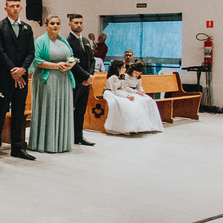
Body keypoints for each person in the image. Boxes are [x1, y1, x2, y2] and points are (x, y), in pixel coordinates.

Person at [0, 0, 35, 160]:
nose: (15, 8)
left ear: (21, 8)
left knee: (19, 112)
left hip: (22, 77)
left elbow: (31, 51)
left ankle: (18, 147)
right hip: (4, 77)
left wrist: (23, 69)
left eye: (17, 6)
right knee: (0, 113)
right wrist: (13, 70)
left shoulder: (27, 28)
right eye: (11, 6)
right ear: (5, 8)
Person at [28, 14, 75, 153]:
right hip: (47, 79)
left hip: (63, 79)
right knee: (49, 108)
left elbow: (70, 57)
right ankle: (45, 142)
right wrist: (56, 66)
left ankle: (61, 142)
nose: (55, 26)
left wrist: (70, 65)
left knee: (62, 107)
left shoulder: (63, 41)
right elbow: (37, 60)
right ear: (46, 25)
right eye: (52, 23)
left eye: (57, 23)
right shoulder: (41, 41)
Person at [103, 60, 163, 134]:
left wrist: (128, 95)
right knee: (126, 104)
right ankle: (124, 127)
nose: (125, 69)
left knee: (134, 103)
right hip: (111, 94)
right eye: (123, 67)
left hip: (120, 93)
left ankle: (136, 126)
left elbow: (122, 89)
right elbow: (115, 91)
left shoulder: (120, 77)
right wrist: (126, 96)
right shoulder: (113, 78)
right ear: (118, 69)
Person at [67, 14, 96, 147]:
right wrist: (85, 76)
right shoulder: (67, 41)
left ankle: (79, 136)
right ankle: (70, 136)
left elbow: (92, 60)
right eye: (76, 22)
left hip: (86, 82)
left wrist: (90, 76)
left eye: (81, 22)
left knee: (81, 110)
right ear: (70, 24)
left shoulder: (85, 41)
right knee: (72, 110)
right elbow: (71, 62)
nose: (79, 25)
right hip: (75, 80)